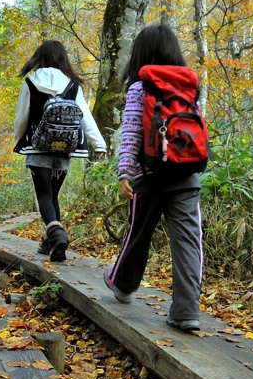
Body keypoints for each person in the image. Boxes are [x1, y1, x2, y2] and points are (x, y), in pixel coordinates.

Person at [104, 24, 205, 331]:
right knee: (189, 242)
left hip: (149, 175)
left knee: (138, 234)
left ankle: (121, 285)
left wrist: (125, 172)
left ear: (141, 54)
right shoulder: (190, 85)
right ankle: (186, 312)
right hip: (187, 174)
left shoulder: (140, 87)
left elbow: (132, 131)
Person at [14, 40, 107, 262]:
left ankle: (56, 233)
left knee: (44, 196)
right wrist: (99, 144)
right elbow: (86, 117)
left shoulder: (31, 82)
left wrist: (19, 140)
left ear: (40, 57)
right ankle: (52, 244)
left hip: (38, 148)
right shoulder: (73, 85)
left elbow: (22, 117)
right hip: (65, 149)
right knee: (53, 196)